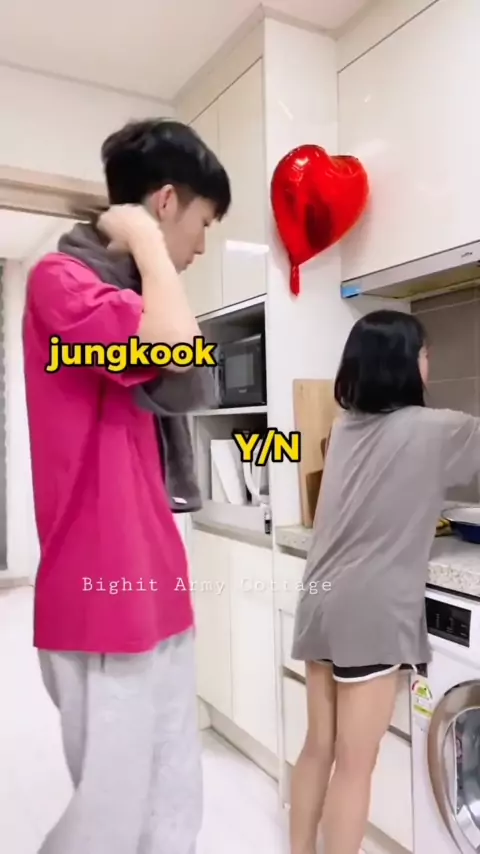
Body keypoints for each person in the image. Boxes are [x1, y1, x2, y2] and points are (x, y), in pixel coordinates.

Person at [22, 119, 231, 854]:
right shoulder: (60, 282)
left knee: (174, 804)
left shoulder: (138, 295)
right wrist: (145, 240)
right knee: (107, 826)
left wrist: (150, 260)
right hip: (101, 594)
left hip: (156, 583)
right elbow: (174, 351)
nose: (200, 247)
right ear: (167, 201)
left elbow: (190, 376)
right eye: (203, 223)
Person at [289, 309, 480, 854]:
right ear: (405, 364)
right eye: (424, 354)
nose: (429, 363)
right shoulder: (438, 428)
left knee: (318, 747)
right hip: (370, 611)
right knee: (356, 764)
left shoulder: (344, 428)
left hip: (320, 599)